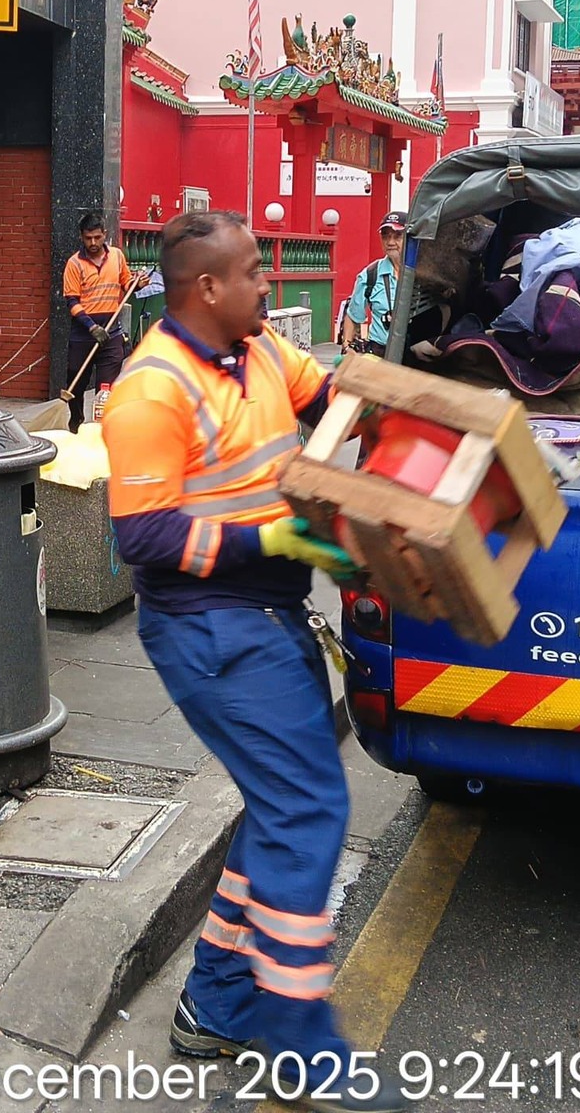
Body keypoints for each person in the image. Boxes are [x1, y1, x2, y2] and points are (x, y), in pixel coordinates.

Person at [102, 210, 405, 1113]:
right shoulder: (148, 391)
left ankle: (217, 1004)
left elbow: (332, 403)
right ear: (205, 289)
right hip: (210, 628)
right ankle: (301, 1045)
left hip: (272, 611)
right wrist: (276, 533)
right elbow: (144, 537)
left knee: (279, 808)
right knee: (308, 808)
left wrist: (415, 406)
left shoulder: (265, 350)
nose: (269, 286)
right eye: (252, 274)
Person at [61, 212, 133, 430]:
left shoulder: (117, 257)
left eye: (97, 237)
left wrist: (136, 283)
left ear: (105, 235)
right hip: (84, 332)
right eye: (88, 238)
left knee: (106, 387)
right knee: (76, 381)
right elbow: (72, 301)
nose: (93, 243)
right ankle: (76, 421)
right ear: (82, 237)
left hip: (111, 331)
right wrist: (91, 327)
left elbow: (126, 282)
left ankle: (103, 427)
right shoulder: (74, 264)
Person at [342, 211, 406, 355]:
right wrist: (347, 347)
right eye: (385, 236)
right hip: (380, 352)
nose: (390, 242)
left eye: (397, 236)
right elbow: (353, 316)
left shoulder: (422, 273)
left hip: (414, 356)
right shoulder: (370, 274)